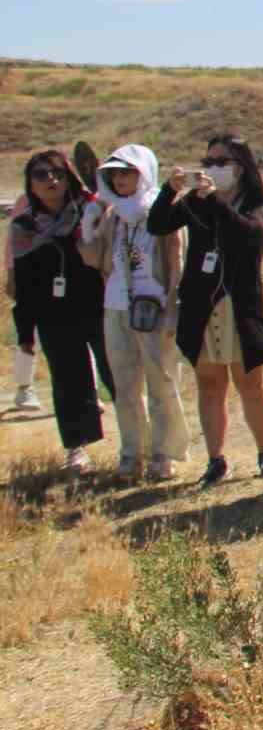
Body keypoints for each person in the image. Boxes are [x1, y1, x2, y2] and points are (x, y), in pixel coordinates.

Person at [148, 134, 263, 486]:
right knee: (210, 385)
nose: (211, 169)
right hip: (201, 305)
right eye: (208, 162)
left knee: (251, 384)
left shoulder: (254, 203)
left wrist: (217, 203)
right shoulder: (195, 201)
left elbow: (252, 237)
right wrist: (169, 191)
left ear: (240, 167)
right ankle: (216, 459)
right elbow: (158, 224)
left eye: (220, 163)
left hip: (241, 307)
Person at [78, 145, 190, 481]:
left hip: (154, 307)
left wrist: (173, 309)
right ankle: (131, 455)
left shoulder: (163, 211)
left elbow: (177, 264)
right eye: (114, 173)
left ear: (143, 173)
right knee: (125, 388)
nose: (120, 179)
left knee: (162, 383)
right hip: (116, 305)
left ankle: (164, 454)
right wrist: (89, 223)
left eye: (127, 172)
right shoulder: (113, 215)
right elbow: (93, 257)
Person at [6, 151, 112, 472]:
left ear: (68, 177)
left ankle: (137, 445)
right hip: (54, 315)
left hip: (100, 308)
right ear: (30, 185)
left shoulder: (90, 212)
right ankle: (76, 449)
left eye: (57, 173)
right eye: (41, 175)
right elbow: (23, 284)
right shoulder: (23, 227)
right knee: (68, 382)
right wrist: (25, 334)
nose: (51, 180)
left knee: (117, 374)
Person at [6, 195, 43, 411]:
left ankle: (91, 392)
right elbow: (12, 243)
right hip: (32, 279)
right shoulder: (25, 201)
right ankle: (24, 388)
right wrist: (12, 276)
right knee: (28, 335)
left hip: (68, 279)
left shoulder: (77, 200)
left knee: (81, 334)